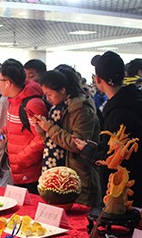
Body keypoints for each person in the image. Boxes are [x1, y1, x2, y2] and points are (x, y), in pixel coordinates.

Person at [74, 51, 142, 212]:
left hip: (123, 192)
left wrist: (87, 150)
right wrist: (97, 147)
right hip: (138, 182)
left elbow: (115, 158)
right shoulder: (132, 102)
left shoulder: (119, 113)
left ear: (98, 79)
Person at [34, 68, 101, 207]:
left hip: (79, 176)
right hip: (60, 176)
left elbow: (78, 144)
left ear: (63, 90)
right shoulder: (58, 109)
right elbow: (53, 143)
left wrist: (50, 128)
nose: (47, 99)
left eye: (49, 94)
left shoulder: (82, 109)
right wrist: (42, 129)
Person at [0, 58, 48, 193]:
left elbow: (41, 138)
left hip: (30, 172)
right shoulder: (13, 101)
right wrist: (4, 131)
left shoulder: (33, 104)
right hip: (17, 170)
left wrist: (19, 159)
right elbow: (21, 128)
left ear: (8, 83)